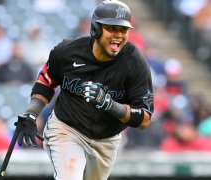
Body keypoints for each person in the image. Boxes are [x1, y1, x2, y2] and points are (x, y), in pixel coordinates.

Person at [15, 1, 154, 180]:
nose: (118, 35)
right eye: (112, 28)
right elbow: (45, 82)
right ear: (96, 28)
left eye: (123, 30)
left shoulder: (134, 62)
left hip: (107, 139)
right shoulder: (67, 51)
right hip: (67, 128)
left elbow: (144, 118)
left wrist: (109, 104)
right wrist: (31, 113)